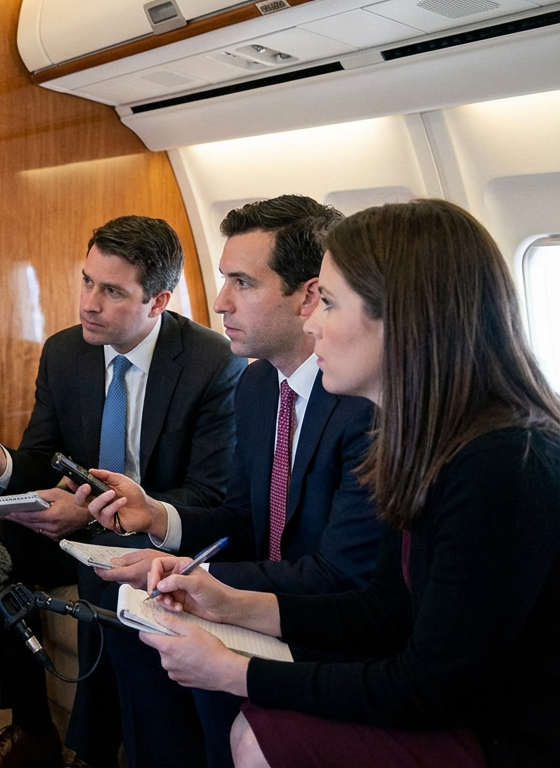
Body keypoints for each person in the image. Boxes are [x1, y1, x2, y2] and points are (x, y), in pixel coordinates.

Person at [134, 199, 560, 767]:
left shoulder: (503, 463)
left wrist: (237, 673)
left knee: (258, 735)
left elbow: (427, 687)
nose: (311, 323)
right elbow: (386, 608)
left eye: (329, 304)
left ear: (404, 318)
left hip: (508, 732)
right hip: (458, 703)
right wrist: (231, 604)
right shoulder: (424, 438)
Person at [79, 196, 381, 767]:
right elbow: (244, 520)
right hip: (278, 590)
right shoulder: (259, 385)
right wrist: (157, 518)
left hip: (328, 617)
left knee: (177, 618)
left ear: (309, 296)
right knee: (133, 611)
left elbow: (339, 575)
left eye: (242, 283)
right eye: (224, 281)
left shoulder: (364, 403)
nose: (220, 303)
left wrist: (202, 579)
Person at [0, 215, 246, 768]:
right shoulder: (66, 352)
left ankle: (90, 751)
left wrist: (100, 514)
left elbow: (208, 492)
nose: (89, 303)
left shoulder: (211, 363)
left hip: (156, 529)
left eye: (112, 291)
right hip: (82, 520)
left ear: (157, 301)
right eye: (87, 281)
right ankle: (31, 731)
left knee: (102, 571)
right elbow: (41, 455)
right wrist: (2, 462)